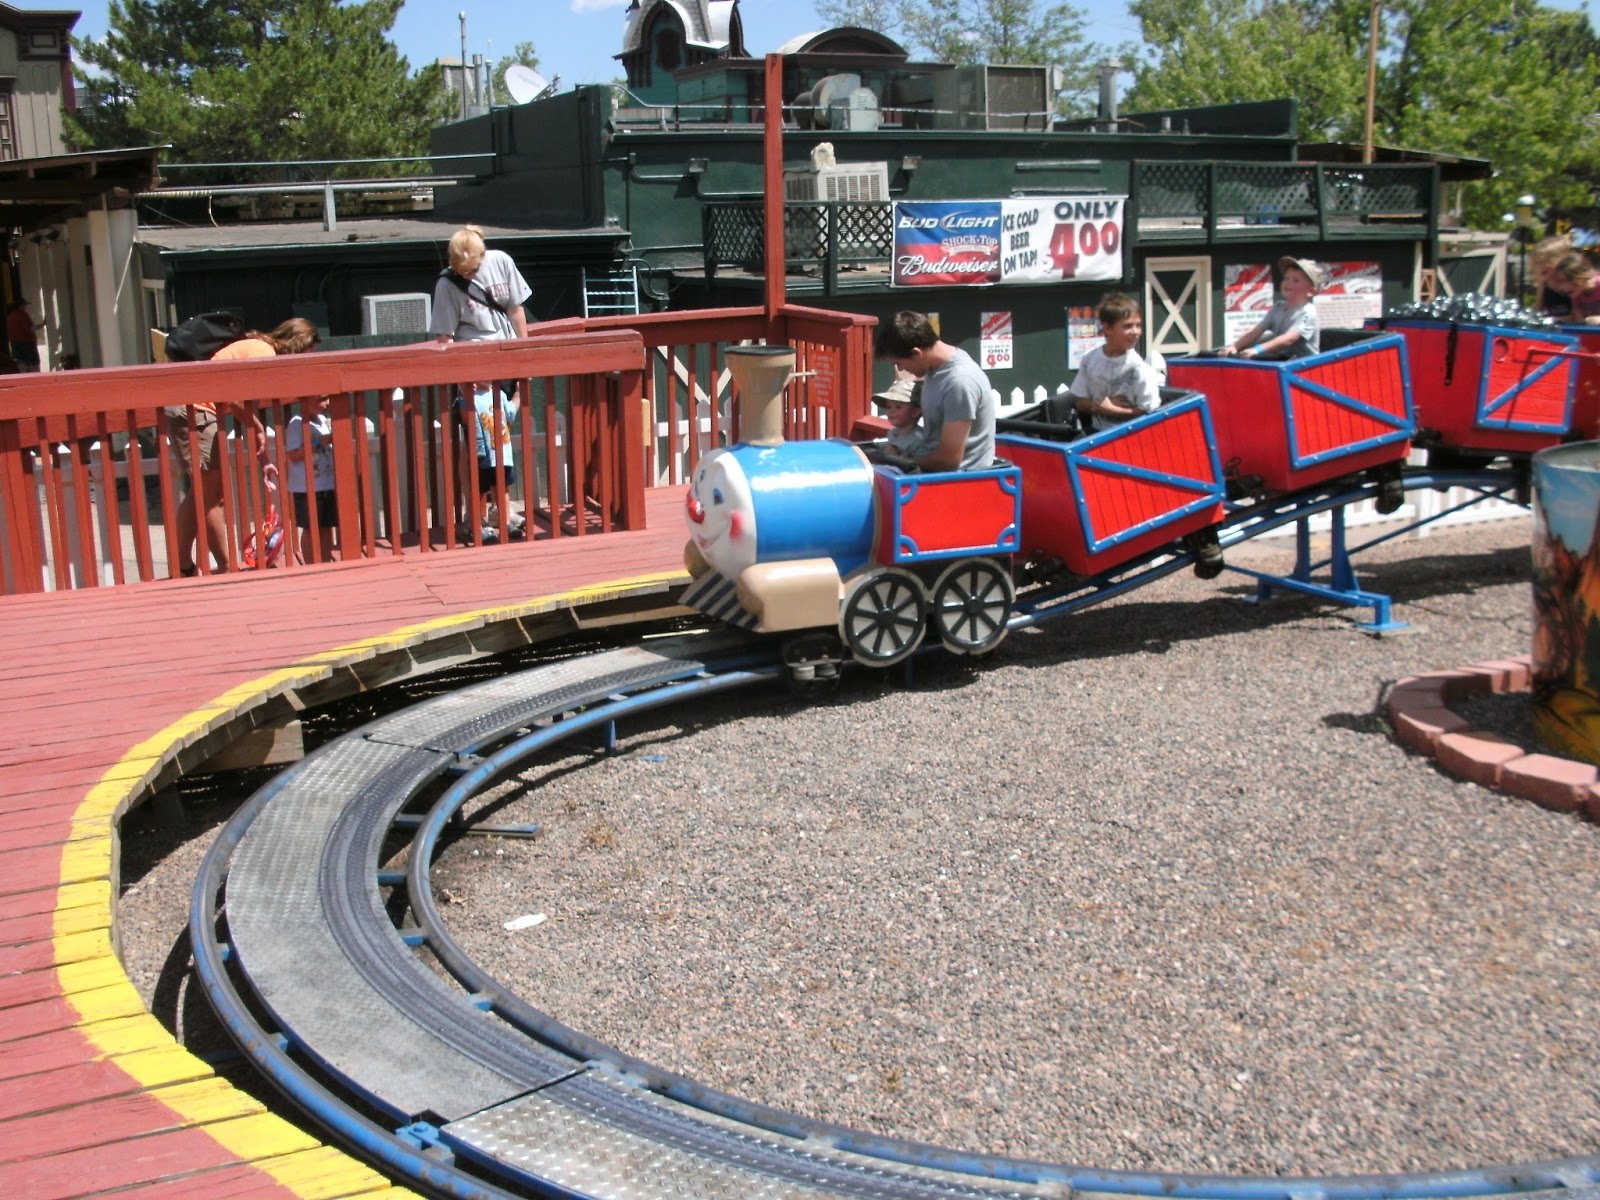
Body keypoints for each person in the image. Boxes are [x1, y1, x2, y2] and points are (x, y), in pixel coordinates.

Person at [166, 317, 320, 577]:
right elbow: (232, 396)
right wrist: (258, 426)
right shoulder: (264, 354)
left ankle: (185, 566)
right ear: (298, 344)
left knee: (203, 494)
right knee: (210, 496)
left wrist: (262, 453)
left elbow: (237, 401)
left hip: (188, 408)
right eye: (308, 352)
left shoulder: (256, 346)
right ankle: (214, 567)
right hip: (196, 411)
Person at [872, 311, 994, 471]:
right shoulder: (934, 370)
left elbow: (948, 461)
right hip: (929, 471)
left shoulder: (959, 382)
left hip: (956, 482)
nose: (900, 369)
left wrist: (899, 459)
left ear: (916, 353)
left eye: (899, 363)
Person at [285, 394, 374, 565]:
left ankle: (324, 560)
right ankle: (312, 564)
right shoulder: (297, 423)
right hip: (307, 487)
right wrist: (320, 442)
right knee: (311, 528)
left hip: (327, 484)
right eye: (321, 398)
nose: (326, 403)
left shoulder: (322, 420)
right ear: (306, 399)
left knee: (326, 527)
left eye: (327, 398)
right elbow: (293, 454)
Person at [1069, 293, 1163, 434]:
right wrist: (1099, 406)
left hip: (1133, 437)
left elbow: (1150, 412)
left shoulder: (1140, 369)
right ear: (1107, 329)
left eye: (1138, 325)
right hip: (1096, 433)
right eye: (1128, 326)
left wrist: (1113, 410)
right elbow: (1080, 403)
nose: (1135, 332)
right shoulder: (1090, 361)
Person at [430, 225, 531, 346]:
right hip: (473, 350)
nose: (467, 276)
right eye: (461, 272)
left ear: (482, 255)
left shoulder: (502, 261)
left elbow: (515, 310)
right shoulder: (446, 283)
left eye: (473, 270)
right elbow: (444, 335)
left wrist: (524, 346)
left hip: (507, 344)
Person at [457, 379, 528, 544]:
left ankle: (505, 522)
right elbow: (465, 419)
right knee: (479, 489)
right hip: (482, 454)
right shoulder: (471, 396)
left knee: (502, 488)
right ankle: (479, 522)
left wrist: (518, 393)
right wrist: (464, 394)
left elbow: (510, 412)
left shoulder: (499, 393)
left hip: (502, 453)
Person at [1219, 257, 1323, 359]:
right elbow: (1256, 330)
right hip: (1284, 361)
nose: (1288, 283)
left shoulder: (1307, 313)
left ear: (1311, 291)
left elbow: (1289, 338)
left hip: (1307, 366)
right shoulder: (1278, 307)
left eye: (1296, 280)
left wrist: (1257, 350)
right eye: (1286, 278)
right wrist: (1234, 347)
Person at [873, 370, 926, 459]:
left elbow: (914, 466)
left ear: (915, 412)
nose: (891, 411)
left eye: (898, 407)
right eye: (889, 407)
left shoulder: (919, 439)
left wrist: (894, 456)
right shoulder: (892, 433)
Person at [1543, 250, 1600, 324]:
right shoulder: (1577, 294)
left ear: (1577, 276)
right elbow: (1580, 321)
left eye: (1562, 281)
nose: (1561, 287)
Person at [1531, 235, 1574, 318]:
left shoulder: (1573, 284)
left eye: (1546, 262)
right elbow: (1538, 312)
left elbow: (1577, 313)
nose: (1541, 267)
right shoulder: (1545, 285)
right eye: (1537, 263)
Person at [7, 299, 41, 371]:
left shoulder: (10, 316)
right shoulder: (22, 315)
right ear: (21, 306)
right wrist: (43, 324)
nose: (26, 307)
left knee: (20, 363)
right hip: (27, 343)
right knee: (34, 363)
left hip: (14, 343)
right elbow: (31, 328)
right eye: (25, 305)